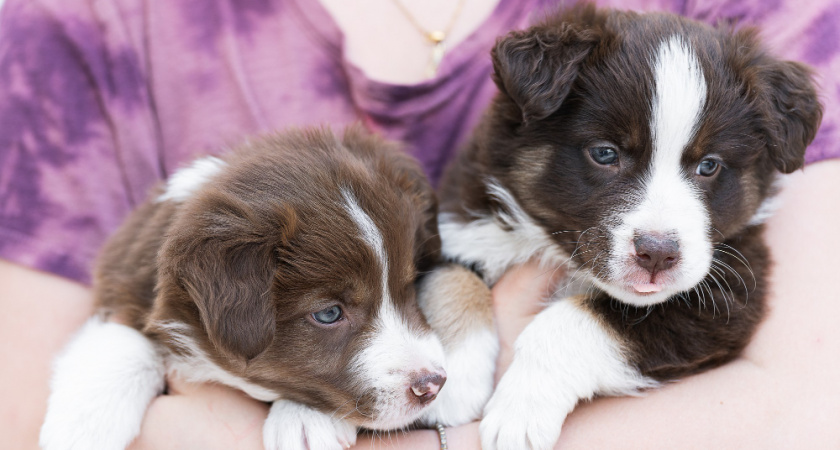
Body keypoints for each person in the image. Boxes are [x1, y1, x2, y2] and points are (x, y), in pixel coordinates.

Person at [1, 0, 838, 448]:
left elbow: (804, 411)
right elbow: (28, 413)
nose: (661, 228)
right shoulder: (73, 28)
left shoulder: (772, 27)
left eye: (705, 168)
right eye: (611, 158)